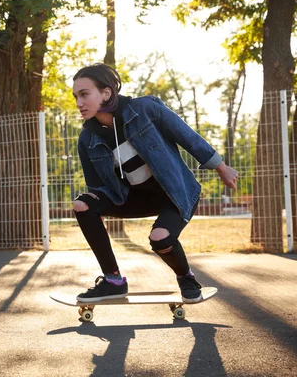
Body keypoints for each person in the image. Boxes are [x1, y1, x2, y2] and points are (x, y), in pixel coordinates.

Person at [71, 63, 238, 303]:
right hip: (133, 199)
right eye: (76, 96)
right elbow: (98, 187)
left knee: (160, 238)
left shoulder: (145, 109)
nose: (79, 102)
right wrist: (93, 205)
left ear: (106, 93)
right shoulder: (87, 139)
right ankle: (113, 280)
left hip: (175, 193)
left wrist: (221, 167)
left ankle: (186, 277)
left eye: (84, 94)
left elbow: (186, 136)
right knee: (82, 205)